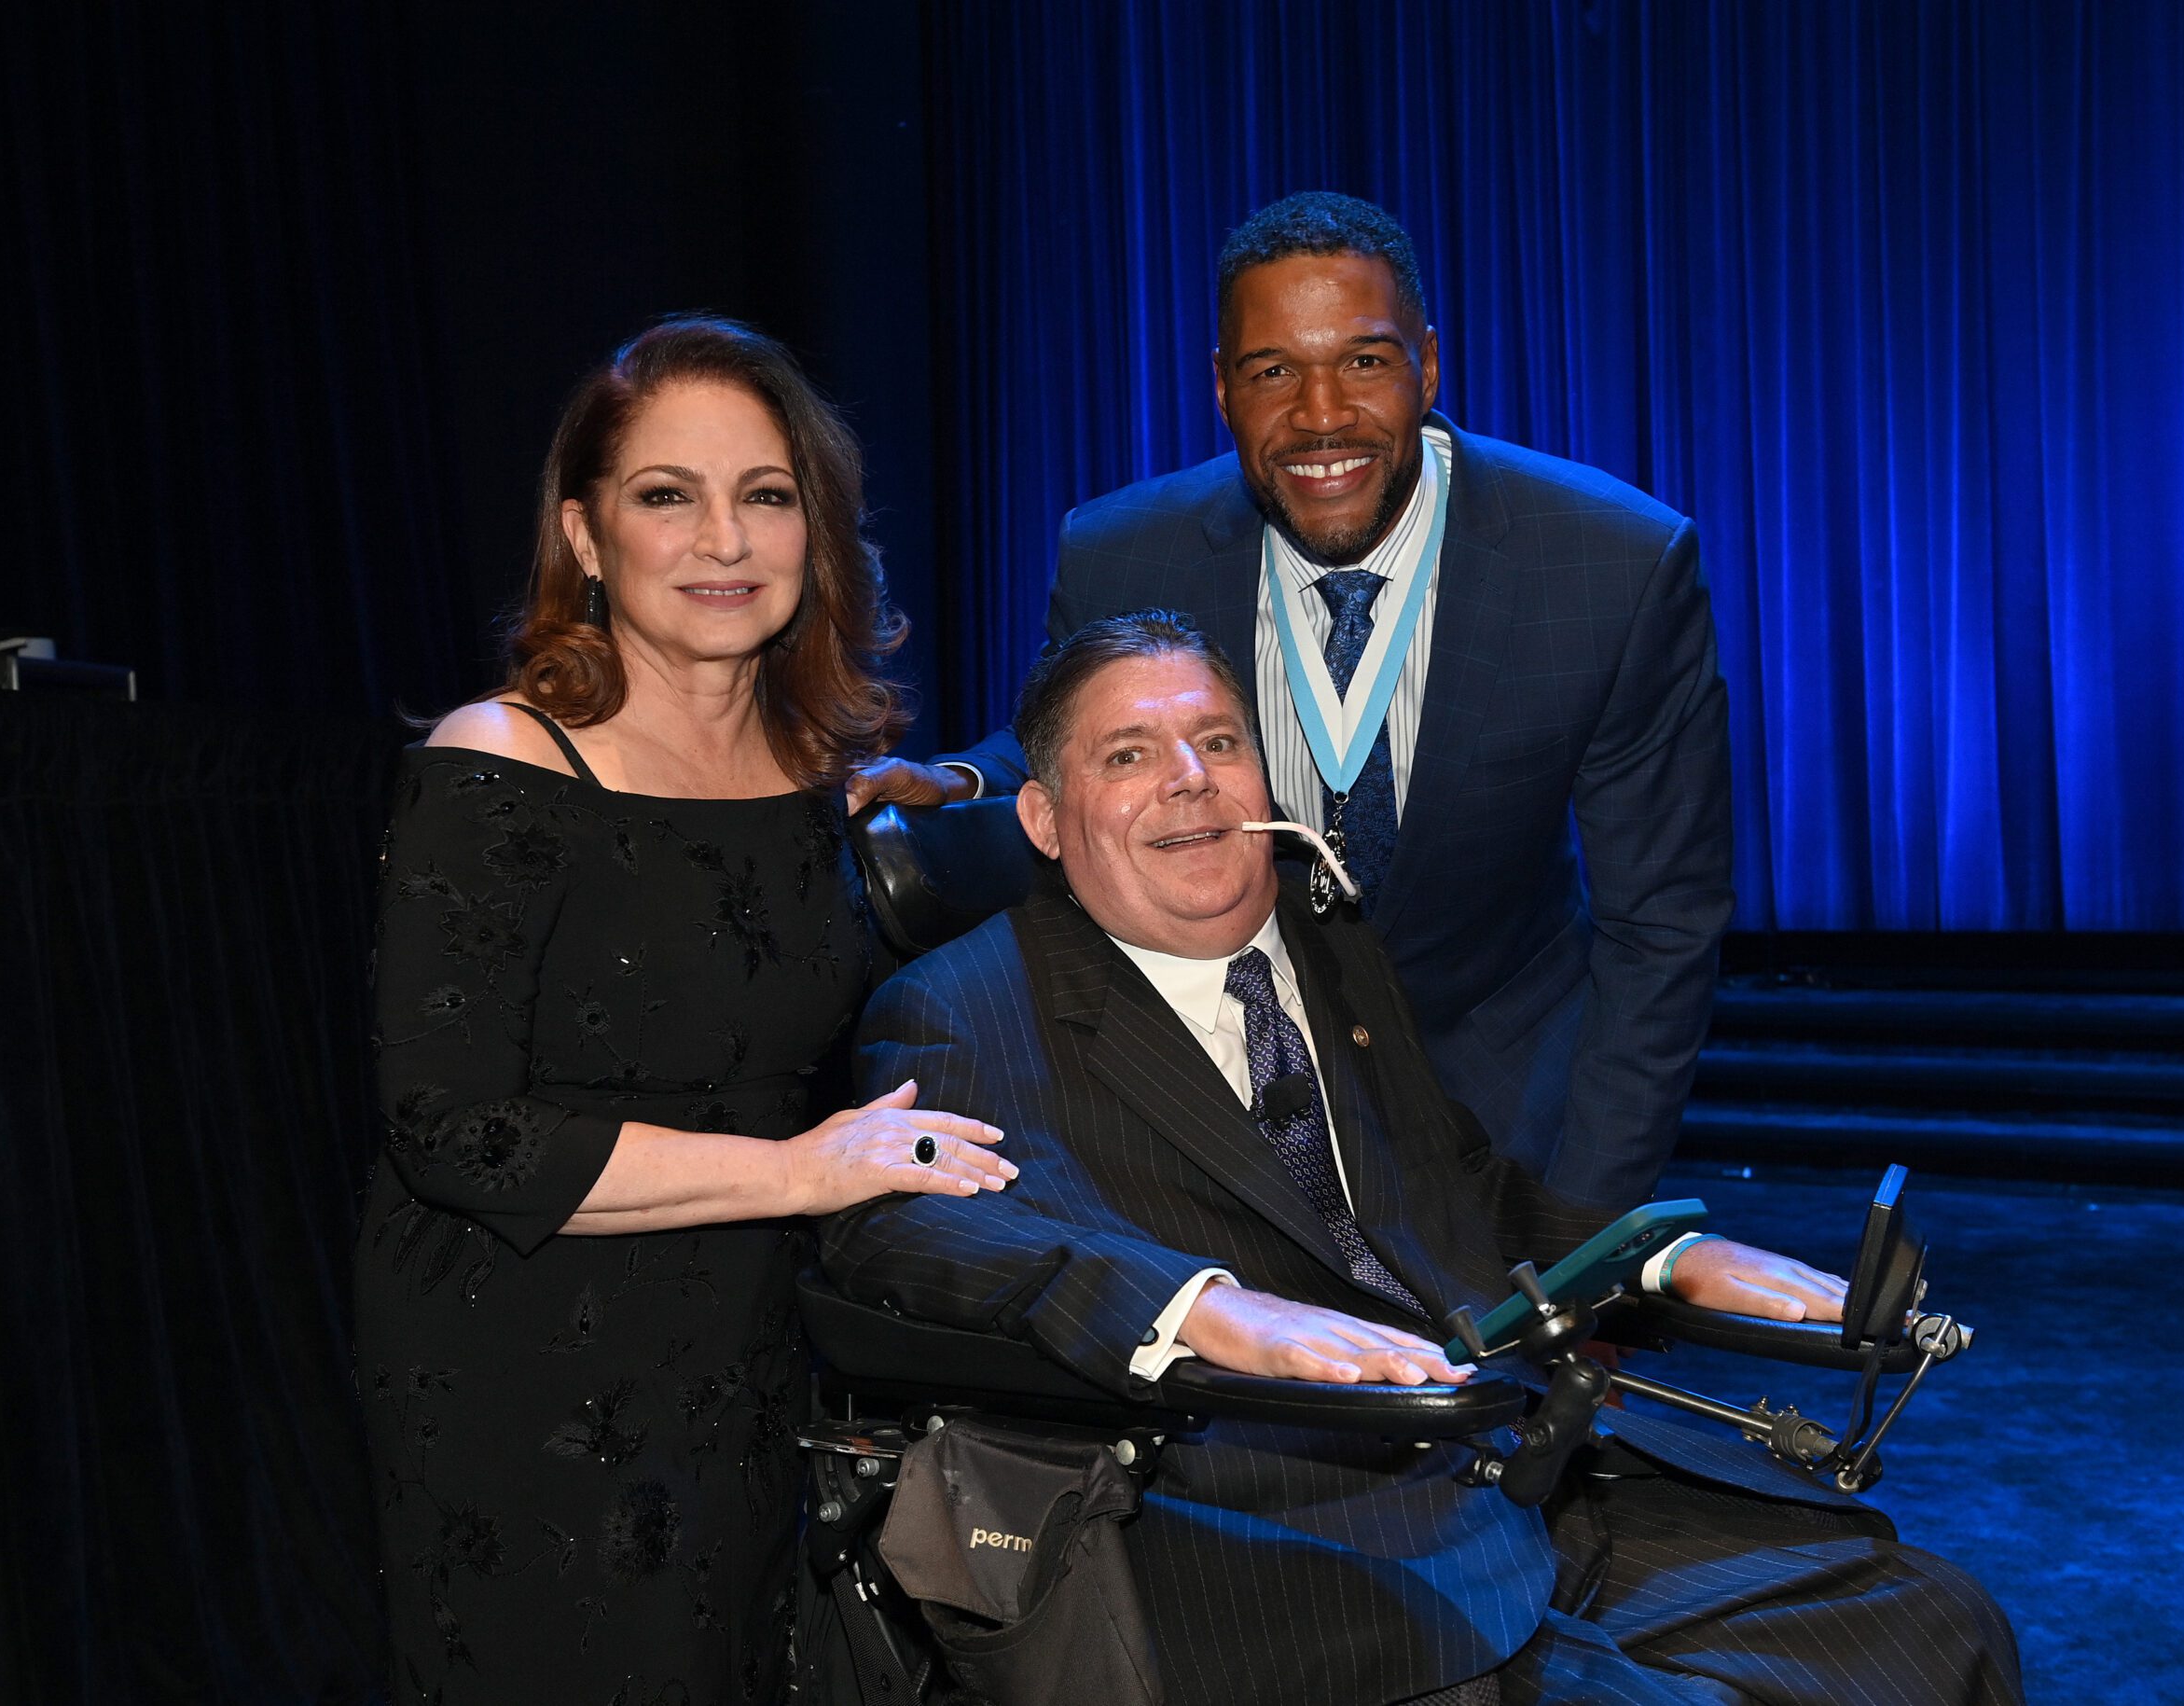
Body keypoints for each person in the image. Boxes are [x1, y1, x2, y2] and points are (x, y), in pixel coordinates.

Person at [822, 611, 2019, 1706]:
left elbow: (1460, 1190)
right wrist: (1202, 1307)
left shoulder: (1328, 948)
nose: (1189, 780)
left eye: (1219, 741)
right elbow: (898, 1225)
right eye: (1128, 755)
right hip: (1285, 1530)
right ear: (1041, 816)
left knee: (1935, 1626)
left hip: (1518, 1474)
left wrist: (1662, 1260)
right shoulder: (963, 1004)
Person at [354, 317, 1015, 1703]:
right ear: (587, 537)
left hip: (753, 1357)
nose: (724, 539)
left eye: (764, 496)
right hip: (526, 1371)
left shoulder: (817, 771)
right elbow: (449, 1130)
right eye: (669, 495)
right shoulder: (504, 757)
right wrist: (797, 1170)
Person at [850, 191, 1731, 1211]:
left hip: (1505, 1110)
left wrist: (1591, 1244)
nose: (1321, 415)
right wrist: (961, 779)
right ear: (1222, 390)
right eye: (1274, 372)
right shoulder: (1123, 548)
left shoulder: (1609, 565)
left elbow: (1661, 926)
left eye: (1364, 360)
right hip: (1220, 1116)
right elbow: (1077, 740)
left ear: (1429, 365)